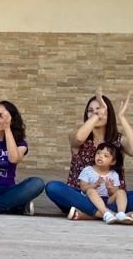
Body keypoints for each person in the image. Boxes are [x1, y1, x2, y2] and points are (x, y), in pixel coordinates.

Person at [45, 90, 133, 220]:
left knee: (124, 196)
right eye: (91, 111)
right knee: (53, 187)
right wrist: (98, 115)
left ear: (109, 114)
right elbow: (79, 138)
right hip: (81, 196)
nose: (96, 113)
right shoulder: (77, 135)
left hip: (114, 199)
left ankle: (90, 214)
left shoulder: (117, 139)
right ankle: (110, 214)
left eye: (100, 109)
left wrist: (122, 117)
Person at [76, 143, 130, 223]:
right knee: (91, 190)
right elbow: (83, 188)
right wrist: (94, 185)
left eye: (105, 155)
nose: (100, 156)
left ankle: (121, 214)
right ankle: (106, 213)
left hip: (107, 199)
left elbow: (115, 193)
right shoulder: (88, 170)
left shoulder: (114, 174)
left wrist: (110, 189)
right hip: (91, 200)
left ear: (113, 162)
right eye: (98, 153)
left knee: (121, 192)